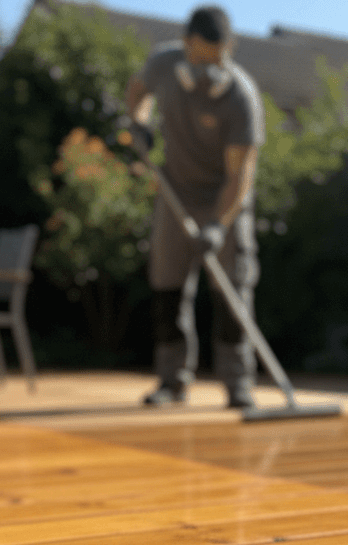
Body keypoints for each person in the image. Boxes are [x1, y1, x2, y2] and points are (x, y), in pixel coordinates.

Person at [126, 5, 265, 409]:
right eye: (201, 60)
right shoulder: (163, 65)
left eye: (218, 60)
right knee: (167, 287)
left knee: (232, 291)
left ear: (231, 49)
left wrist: (219, 226)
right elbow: (136, 93)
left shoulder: (241, 97)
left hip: (226, 199)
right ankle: (172, 383)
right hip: (176, 191)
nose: (209, 72)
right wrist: (139, 123)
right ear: (186, 45)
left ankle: (238, 384)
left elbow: (240, 176)